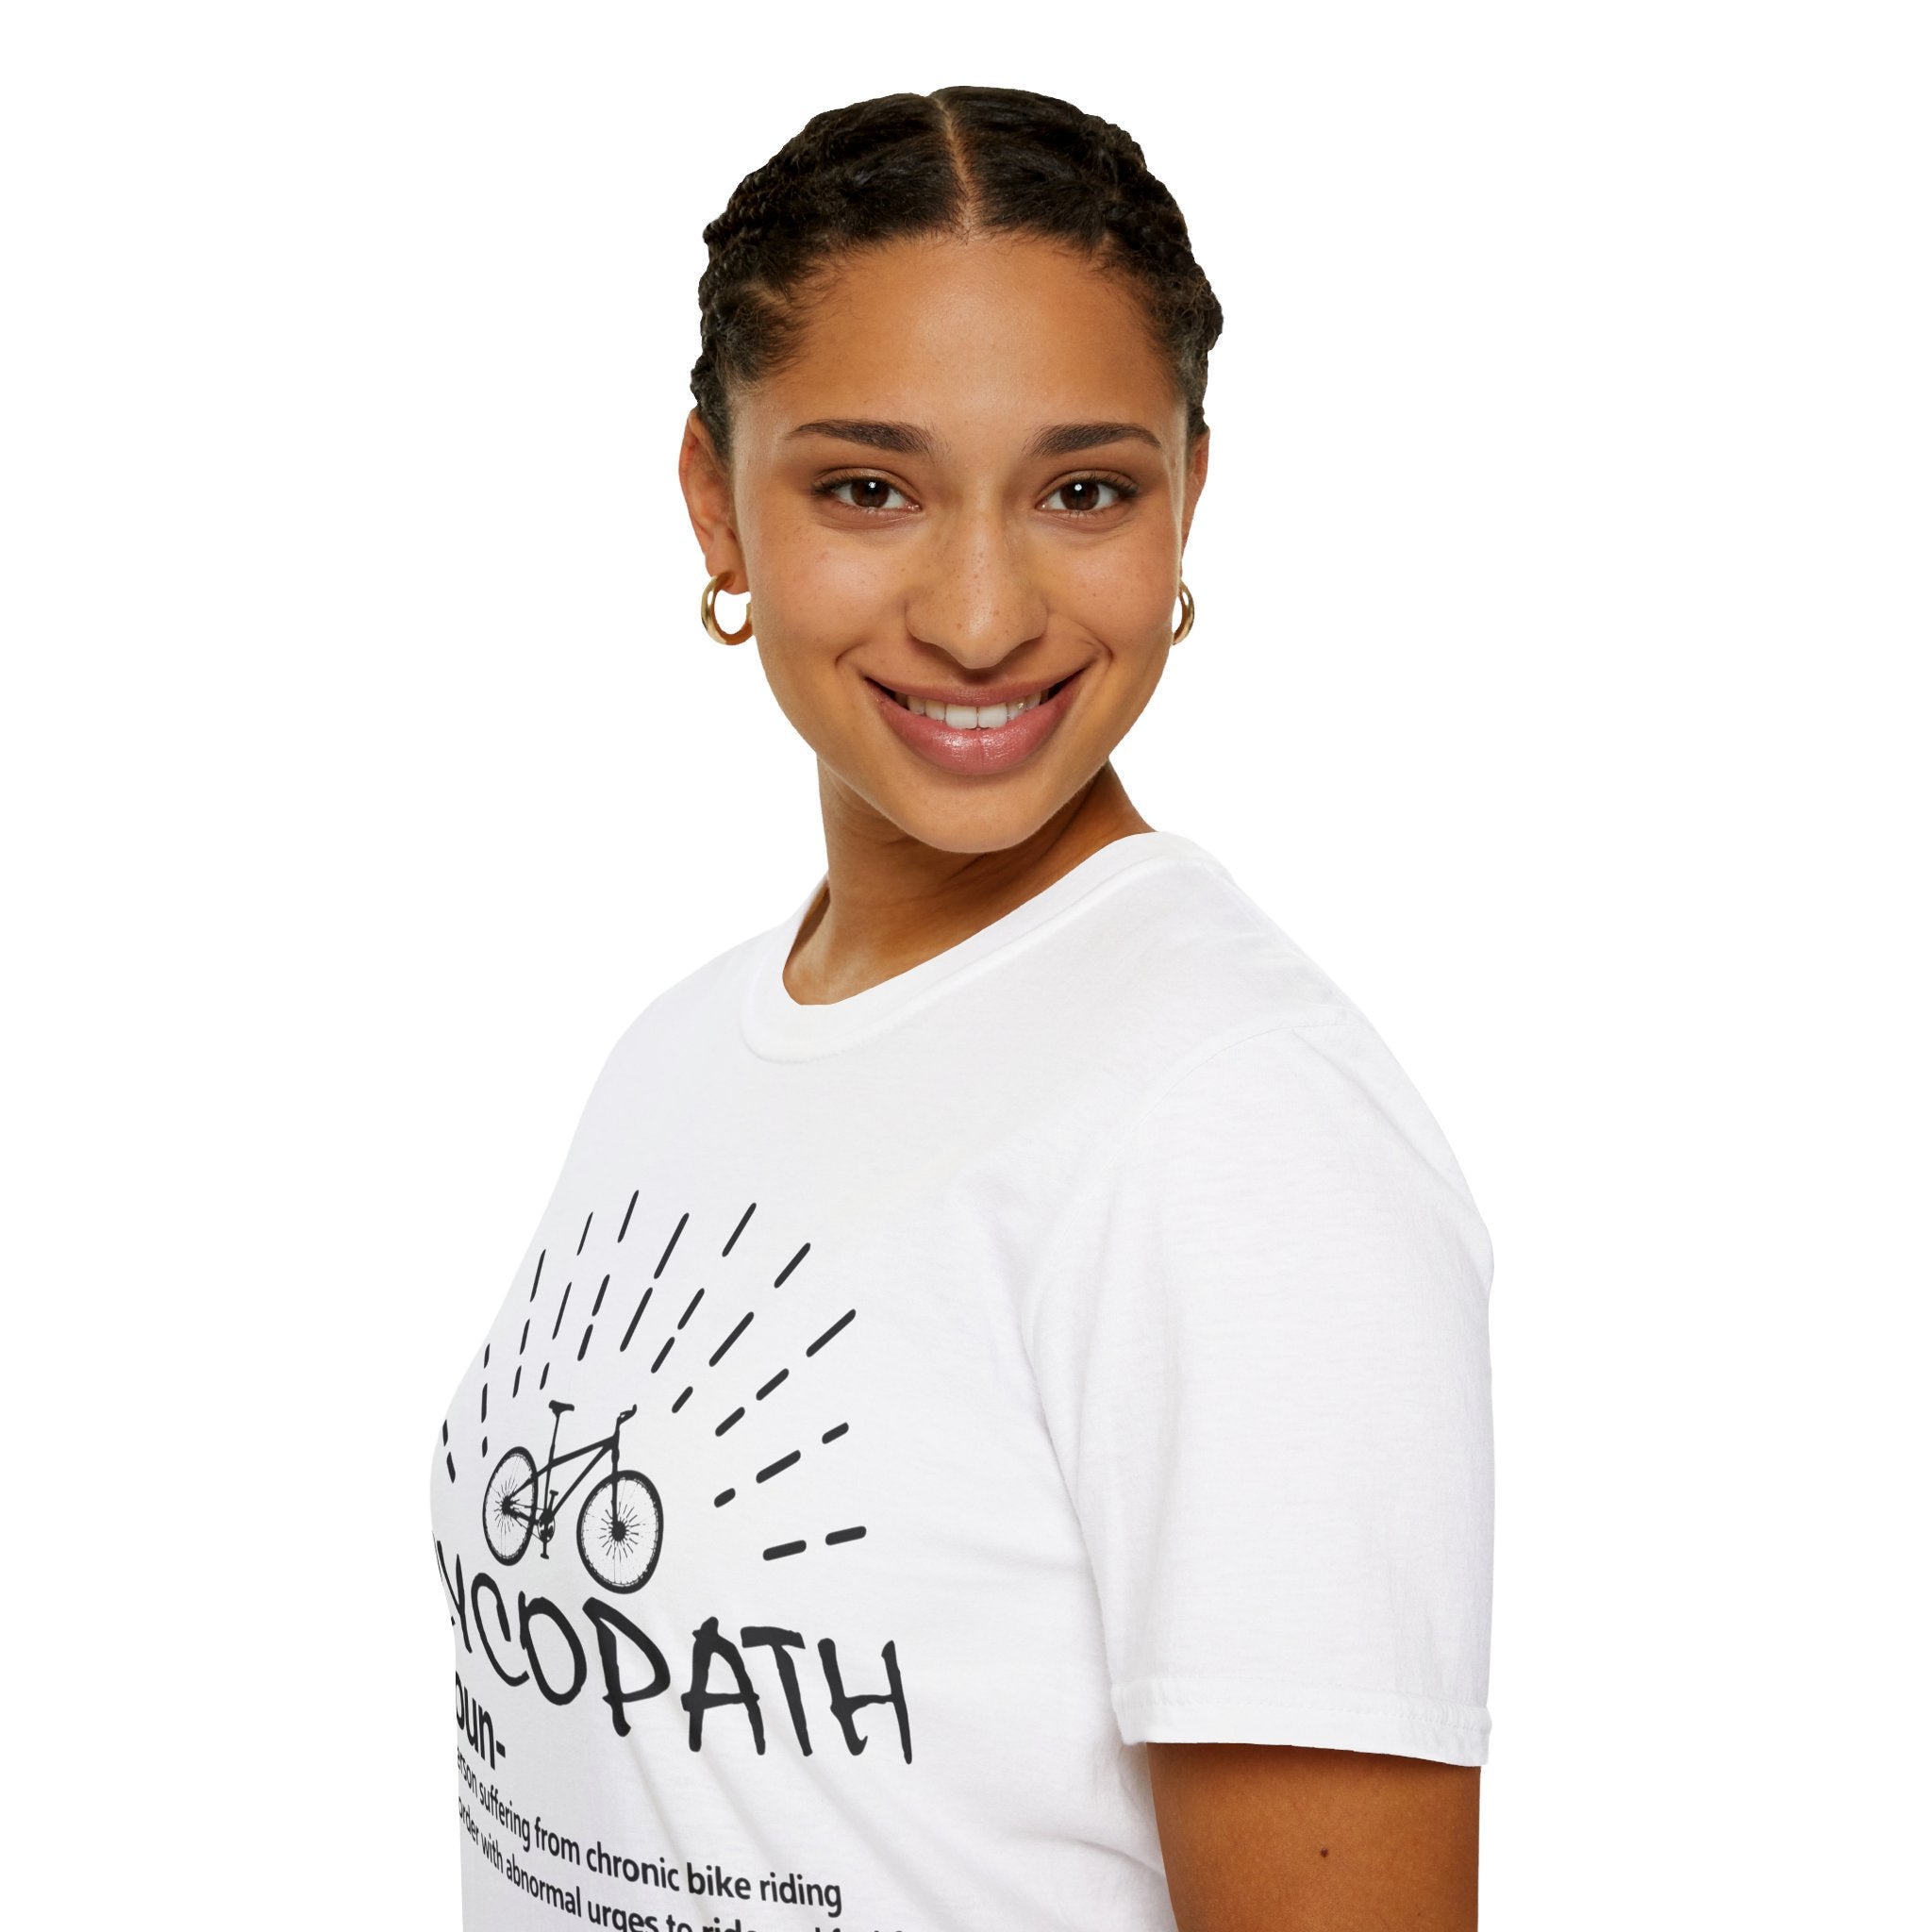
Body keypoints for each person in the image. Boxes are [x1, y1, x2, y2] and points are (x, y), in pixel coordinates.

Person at [430, 85, 1493, 1932]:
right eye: (869, 488)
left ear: (1189, 497)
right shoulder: (681, 1050)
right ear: (715, 500)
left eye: (1085, 491)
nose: (984, 614)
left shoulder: (1238, 1130)